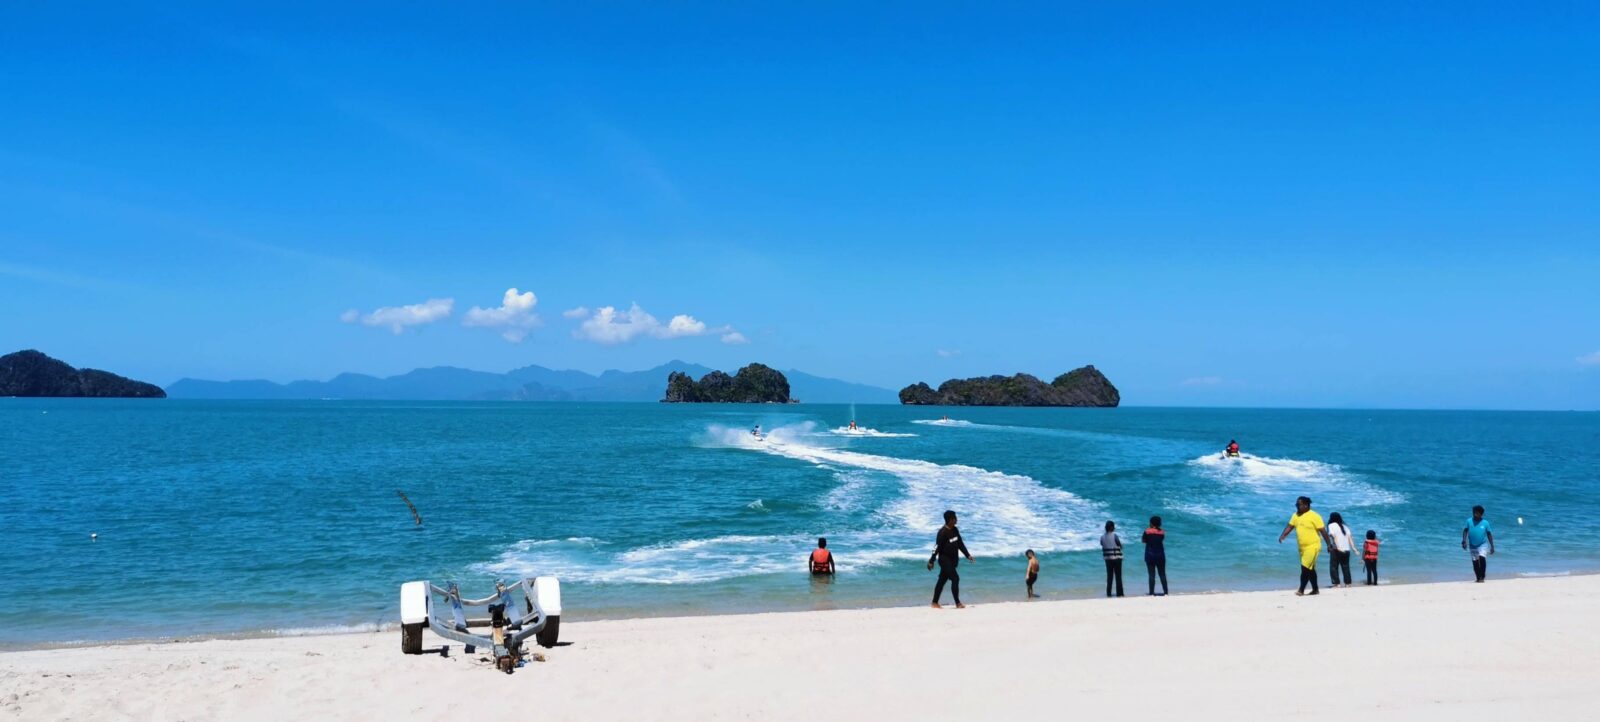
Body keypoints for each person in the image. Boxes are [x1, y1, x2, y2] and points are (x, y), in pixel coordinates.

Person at [1278, 496, 1332, 596]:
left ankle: (1301, 590)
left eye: (1298, 505)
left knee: (1305, 568)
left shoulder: (1315, 516)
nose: (1297, 506)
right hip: (1302, 547)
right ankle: (1315, 590)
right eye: (1296, 505)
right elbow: (1290, 526)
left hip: (1313, 546)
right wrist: (1283, 536)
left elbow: (1323, 531)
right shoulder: (1295, 515)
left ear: (1306, 505)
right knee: (1310, 569)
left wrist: (1329, 545)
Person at [927, 509, 975, 608]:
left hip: (952, 561)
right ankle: (958, 603)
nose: (957, 520)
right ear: (950, 520)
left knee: (942, 580)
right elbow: (936, 547)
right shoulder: (942, 532)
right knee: (955, 578)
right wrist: (931, 560)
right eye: (955, 518)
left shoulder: (955, 530)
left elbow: (960, 544)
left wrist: (967, 555)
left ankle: (934, 602)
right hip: (944, 560)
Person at [1462, 505, 1495, 583]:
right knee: (1475, 562)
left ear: (1481, 514)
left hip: (1482, 544)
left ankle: (1482, 576)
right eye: (1473, 512)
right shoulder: (1469, 521)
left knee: (1482, 558)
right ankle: (1478, 577)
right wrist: (1464, 541)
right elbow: (1465, 530)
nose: (1474, 514)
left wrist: (1492, 546)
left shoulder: (1485, 523)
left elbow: (1489, 534)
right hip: (1472, 545)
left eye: (1476, 513)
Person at [1326, 512, 1356, 588]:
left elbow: (1333, 536)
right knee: (1346, 567)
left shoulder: (1331, 525)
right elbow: (1350, 538)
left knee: (1334, 567)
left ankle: (1337, 584)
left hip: (1336, 549)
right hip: (1346, 550)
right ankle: (1348, 583)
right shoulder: (1345, 526)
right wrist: (1354, 548)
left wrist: (1338, 547)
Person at [1141, 516, 1168, 596]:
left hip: (1150, 555)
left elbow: (1143, 540)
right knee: (1162, 574)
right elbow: (1161, 539)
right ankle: (1166, 592)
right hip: (1160, 555)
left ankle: (1151, 592)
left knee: (1151, 574)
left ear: (1151, 523)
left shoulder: (1147, 531)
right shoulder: (1162, 532)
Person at [1100, 520, 1125, 597]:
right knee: (1118, 576)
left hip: (1107, 558)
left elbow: (1102, 544)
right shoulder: (1115, 535)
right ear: (1112, 528)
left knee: (1109, 576)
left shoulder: (1102, 537)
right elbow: (1119, 545)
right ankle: (1120, 593)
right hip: (1117, 558)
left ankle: (1109, 593)